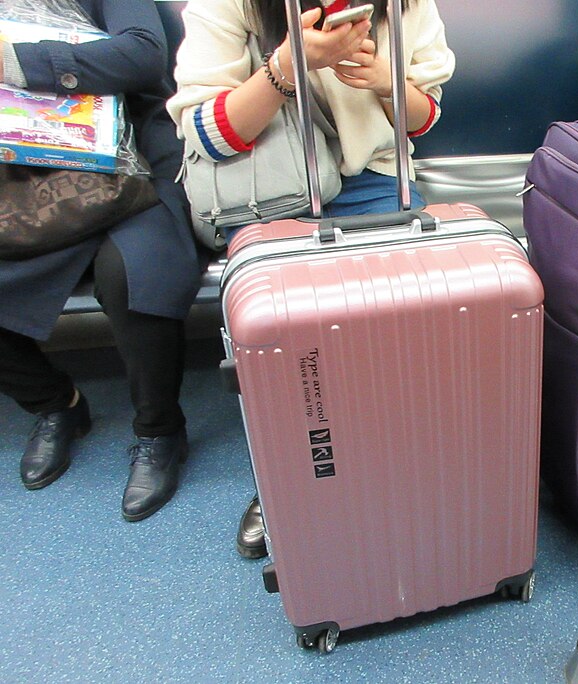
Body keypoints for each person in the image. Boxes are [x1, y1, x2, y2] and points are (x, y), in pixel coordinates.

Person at [167, 0, 455, 558]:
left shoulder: (407, 7)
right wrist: (286, 67)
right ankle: (286, 480)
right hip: (272, 184)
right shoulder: (228, 7)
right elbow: (207, 135)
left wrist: (387, 82)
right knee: (284, 348)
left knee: (404, 327)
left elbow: (424, 117)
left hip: (373, 178)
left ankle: (390, 467)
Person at [0, 0, 202, 521]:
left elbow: (143, 55)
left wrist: (15, 62)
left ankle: (160, 430)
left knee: (131, 273)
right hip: (20, 173)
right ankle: (55, 404)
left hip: (130, 158)